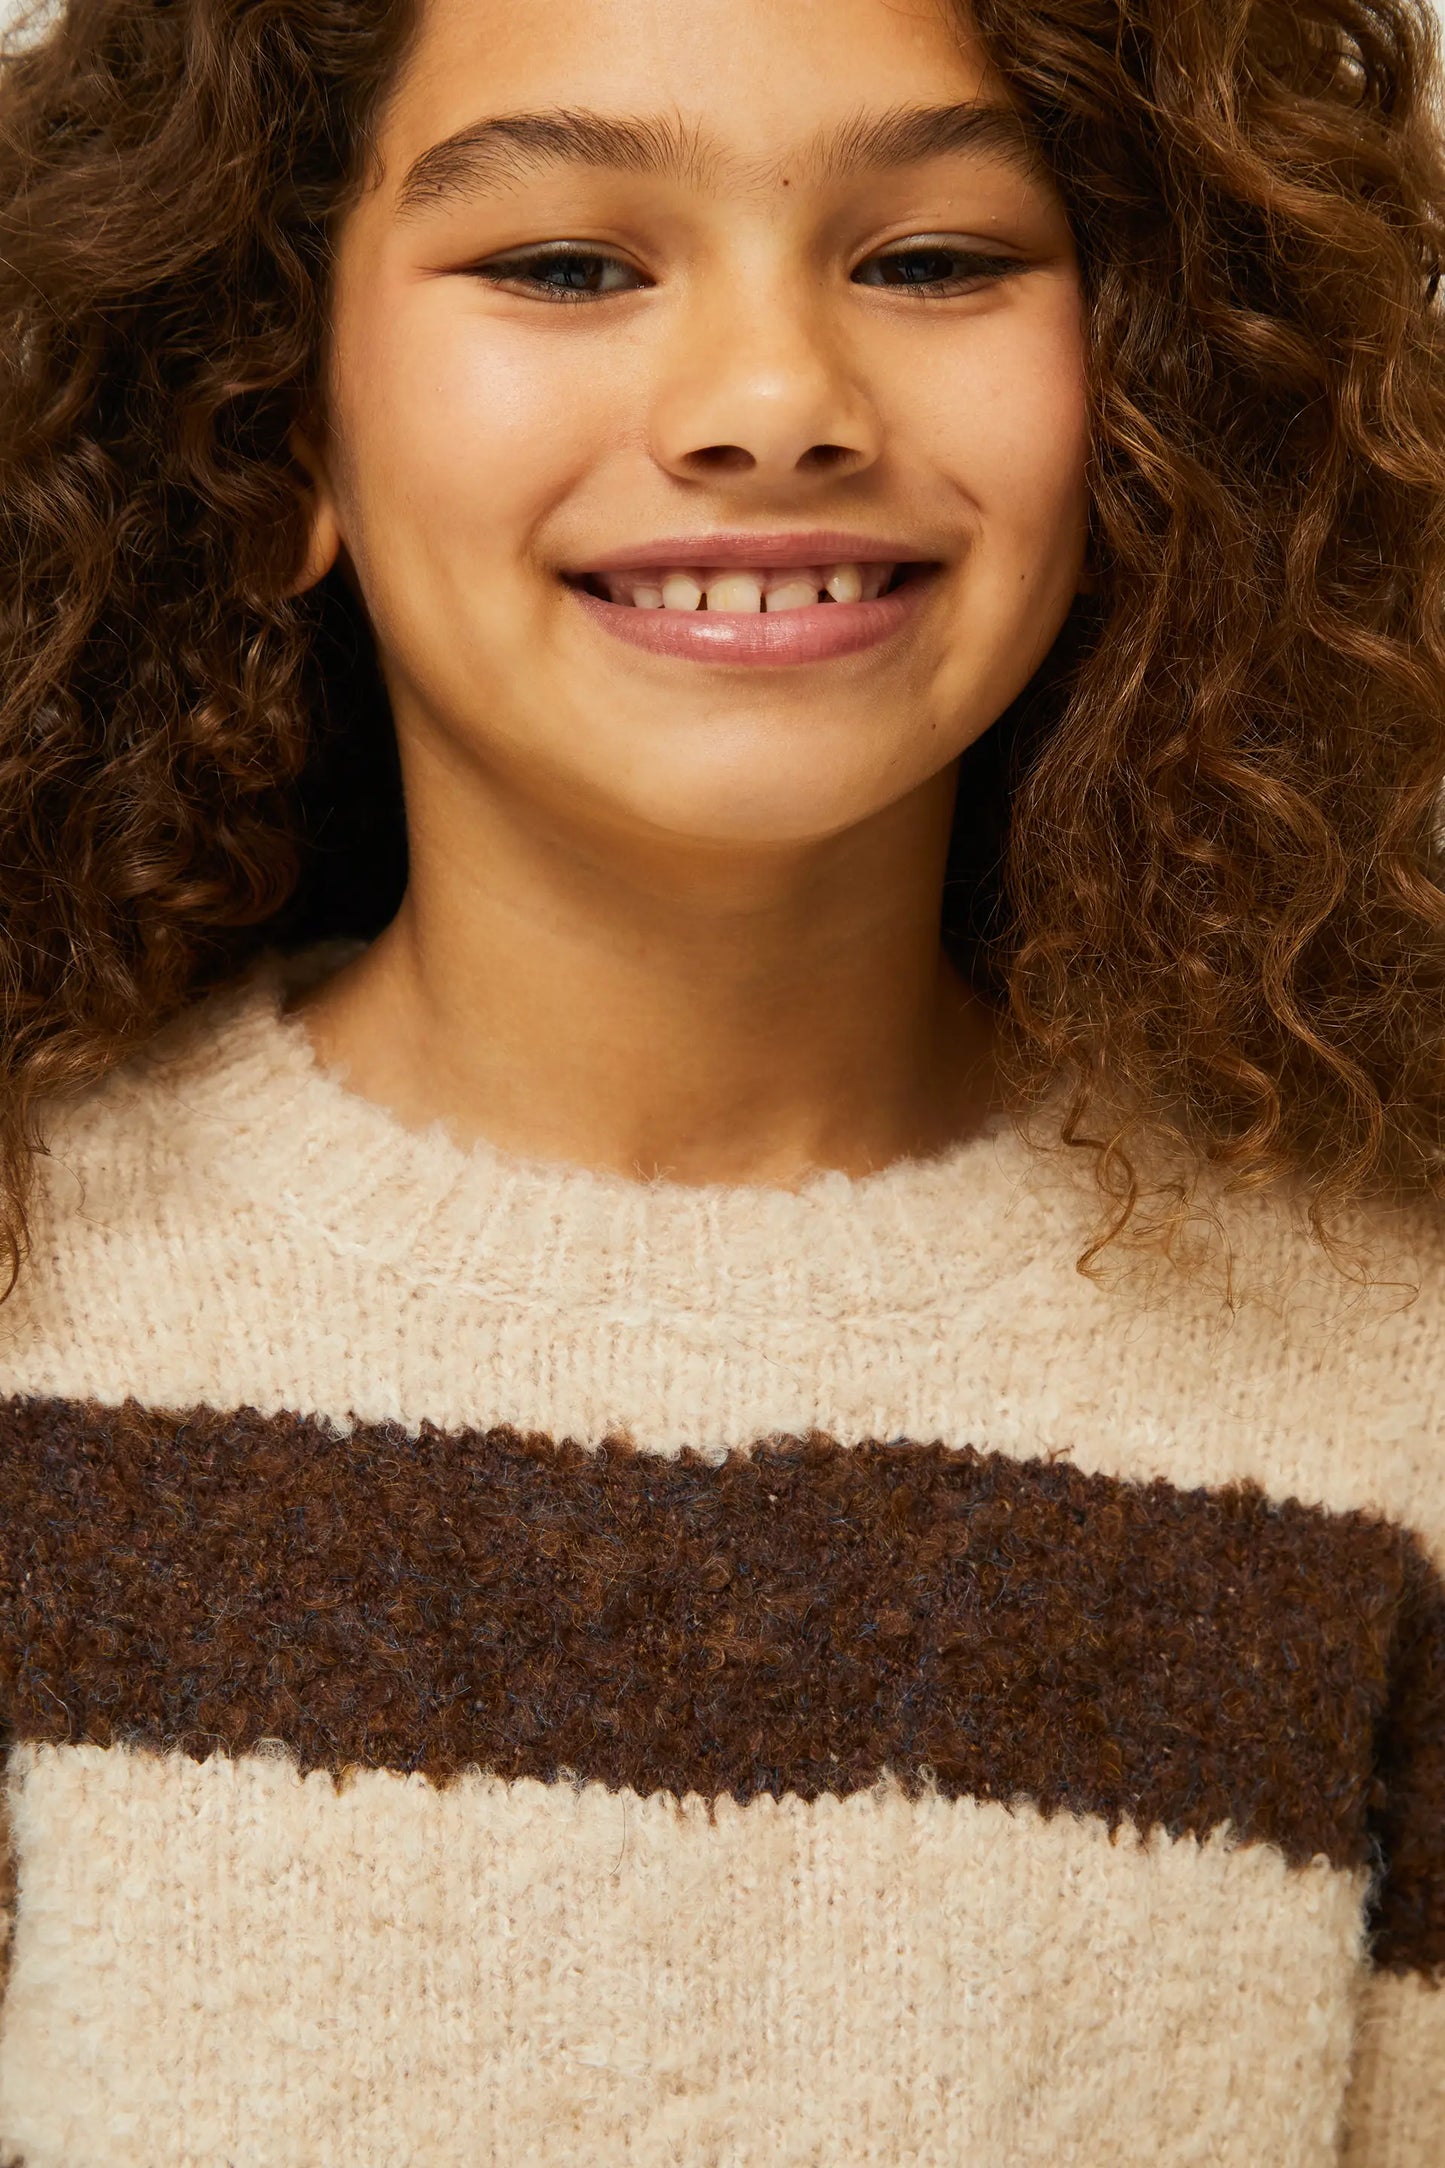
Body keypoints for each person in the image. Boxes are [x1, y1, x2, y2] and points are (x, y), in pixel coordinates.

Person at [0, 0, 1440, 2157]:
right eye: (570, 264)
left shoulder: (1391, 1379)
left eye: (934, 260)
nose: (775, 402)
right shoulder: (33, 1311)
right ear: (274, 415)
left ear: (1150, 396)